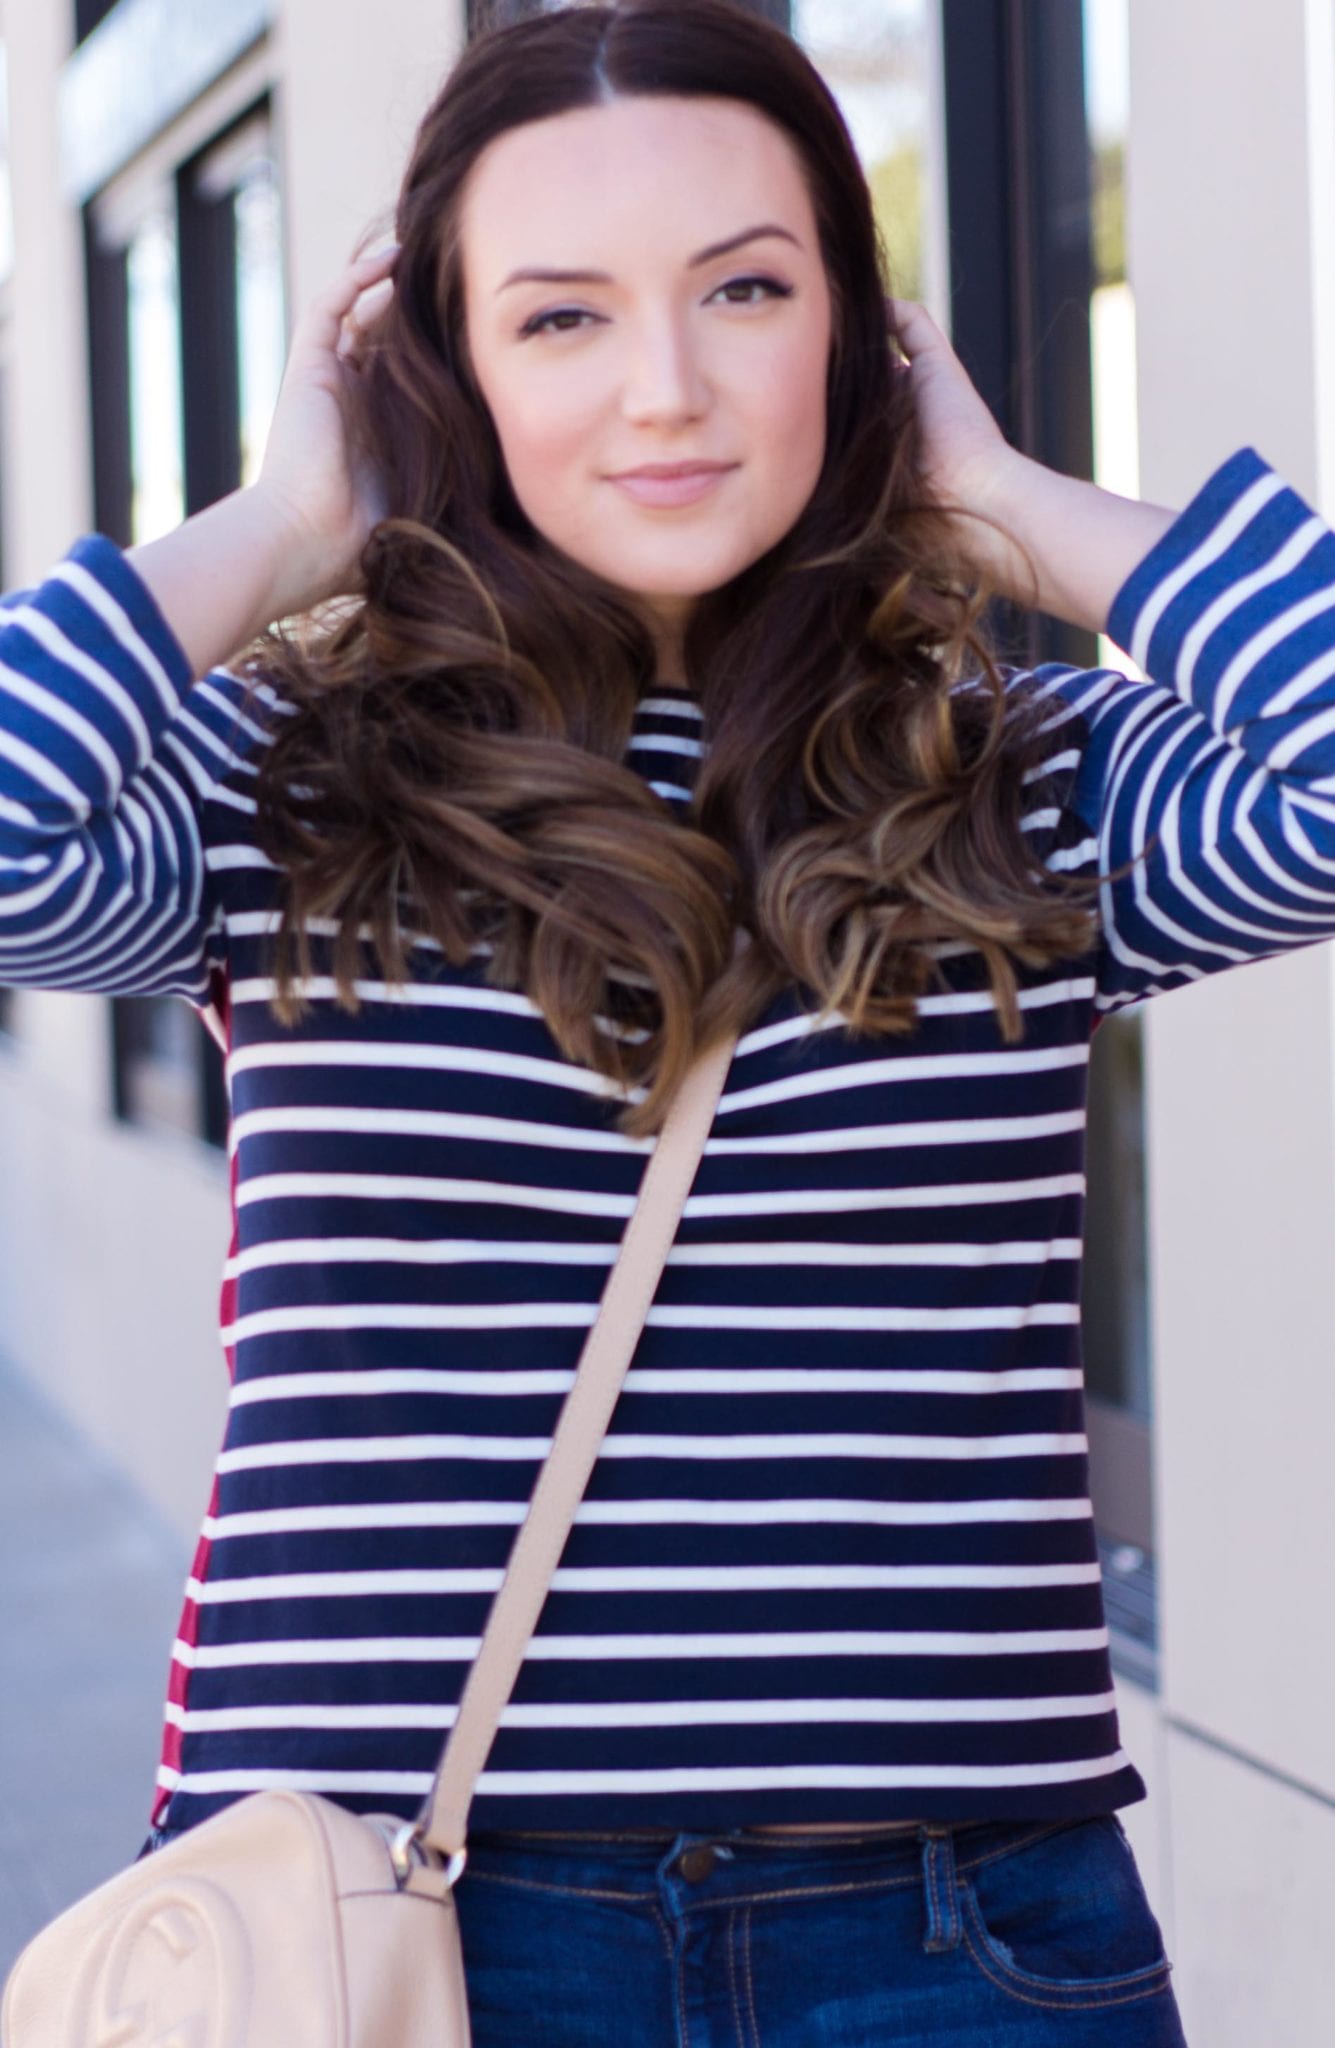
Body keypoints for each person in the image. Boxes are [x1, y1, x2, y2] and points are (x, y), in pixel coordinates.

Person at [4, 0, 1329, 2039]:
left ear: (856, 334)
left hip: (947, 1934)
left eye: (745, 289)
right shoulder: (287, 780)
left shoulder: (1016, 776)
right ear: (442, 368)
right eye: (559, 317)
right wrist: (283, 524)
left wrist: (1004, 498)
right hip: (389, 1927)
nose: (667, 389)